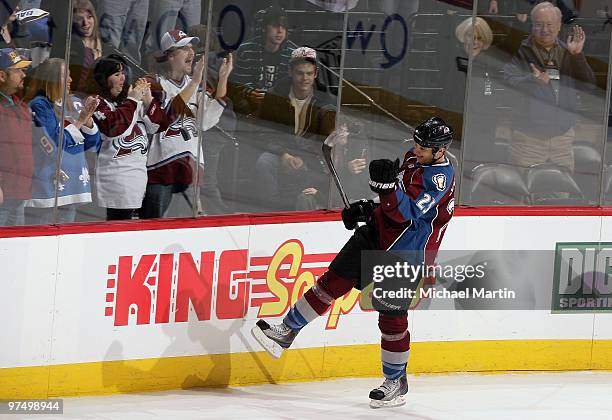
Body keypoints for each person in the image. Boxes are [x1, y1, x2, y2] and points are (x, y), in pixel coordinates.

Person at [251, 117, 456, 408]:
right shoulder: (413, 157)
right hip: (378, 234)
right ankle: (287, 330)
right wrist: (367, 208)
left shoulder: (439, 178)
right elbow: (390, 202)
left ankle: (395, 380)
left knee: (391, 319)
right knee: (331, 282)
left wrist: (386, 192)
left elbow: (406, 214)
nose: (417, 148)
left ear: (440, 150)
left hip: (406, 251)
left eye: (424, 146)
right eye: (417, 142)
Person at [139, 29, 233, 219]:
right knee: (153, 226)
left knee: (188, 228)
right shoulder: (152, 83)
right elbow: (164, 117)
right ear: (171, 55)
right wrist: (195, 82)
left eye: (192, 48)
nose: (192, 53)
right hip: (159, 167)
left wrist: (223, 79)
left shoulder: (199, 85)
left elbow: (205, 122)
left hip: (191, 166)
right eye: (185, 48)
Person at [503, 1, 595, 172]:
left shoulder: (569, 51)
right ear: (532, 25)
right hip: (528, 140)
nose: (545, 29)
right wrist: (532, 80)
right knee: (522, 194)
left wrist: (577, 56)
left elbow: (588, 86)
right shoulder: (519, 49)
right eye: (539, 24)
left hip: (562, 140)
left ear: (559, 26)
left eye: (550, 24)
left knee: (561, 193)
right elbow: (507, 80)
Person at [252, 46, 339, 211]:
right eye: (300, 73)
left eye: (308, 74)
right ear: (290, 72)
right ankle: (270, 211)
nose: (304, 78)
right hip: (281, 152)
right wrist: (283, 154)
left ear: (316, 74)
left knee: (321, 174)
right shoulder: (274, 96)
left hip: (312, 158)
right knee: (264, 162)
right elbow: (262, 132)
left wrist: (304, 158)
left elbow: (327, 139)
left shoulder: (326, 102)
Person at [24, 58, 100, 224]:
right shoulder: (40, 105)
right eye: (66, 75)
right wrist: (79, 122)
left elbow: (90, 143)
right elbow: (54, 144)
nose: (71, 80)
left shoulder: (73, 102)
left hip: (72, 185)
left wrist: (88, 121)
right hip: (49, 186)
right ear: (51, 78)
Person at [91, 53, 168, 220]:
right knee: (118, 230)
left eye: (123, 74)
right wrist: (133, 100)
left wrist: (148, 101)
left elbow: (160, 125)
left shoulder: (131, 103)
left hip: (139, 179)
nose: (122, 79)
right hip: (116, 180)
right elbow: (114, 129)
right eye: (116, 74)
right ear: (103, 79)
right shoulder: (97, 103)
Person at [229, 6, 293, 116]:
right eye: (275, 26)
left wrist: (271, 98)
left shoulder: (292, 54)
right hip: (250, 102)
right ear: (264, 28)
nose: (280, 31)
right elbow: (238, 82)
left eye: (284, 27)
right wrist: (250, 93)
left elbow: (292, 86)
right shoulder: (246, 50)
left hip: (279, 103)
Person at [0, 47, 32, 225]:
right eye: (18, 70)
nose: (24, 75)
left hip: (20, 191)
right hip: (3, 194)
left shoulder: (22, 105)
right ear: (2, 76)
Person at [70, 0, 114, 96]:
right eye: (79, 18)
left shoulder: (106, 45)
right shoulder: (70, 45)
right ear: (72, 21)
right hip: (75, 96)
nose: (85, 23)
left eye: (89, 17)